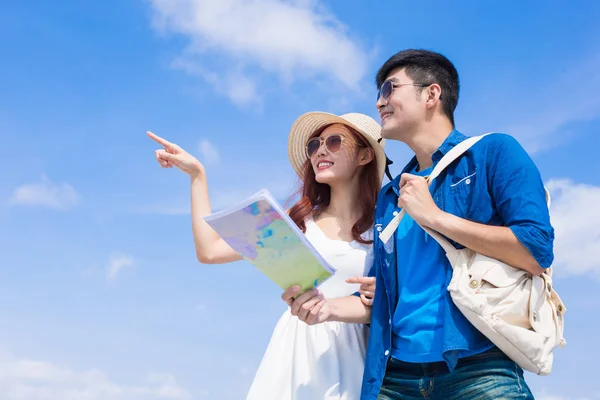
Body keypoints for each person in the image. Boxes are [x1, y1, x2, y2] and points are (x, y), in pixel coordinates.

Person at [283, 49, 554, 399]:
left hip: (480, 370)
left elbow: (536, 250)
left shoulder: (493, 153)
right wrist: (326, 308)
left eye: (389, 89)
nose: (380, 103)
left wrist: (436, 218)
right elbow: (385, 295)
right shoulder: (391, 196)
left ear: (431, 94)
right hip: (395, 377)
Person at [147, 111, 388, 400]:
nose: (320, 150)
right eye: (314, 145)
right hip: (294, 352)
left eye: (334, 141)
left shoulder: (386, 227)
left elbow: (395, 302)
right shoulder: (296, 221)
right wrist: (197, 175)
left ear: (365, 155)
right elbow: (208, 251)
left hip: (356, 356)